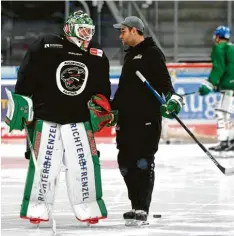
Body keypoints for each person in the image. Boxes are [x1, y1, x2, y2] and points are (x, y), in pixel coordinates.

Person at [5, 10, 113, 225]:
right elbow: (27, 75)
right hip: (47, 118)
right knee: (45, 166)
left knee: (84, 166)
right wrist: (23, 99)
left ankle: (89, 209)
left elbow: (102, 87)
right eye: (82, 30)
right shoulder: (45, 45)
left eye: (89, 30)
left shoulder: (96, 53)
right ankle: (37, 209)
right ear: (69, 29)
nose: (86, 34)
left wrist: (102, 101)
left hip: (79, 119)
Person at [112, 16, 183, 226]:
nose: (120, 35)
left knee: (142, 163)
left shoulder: (152, 53)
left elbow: (166, 86)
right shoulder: (130, 56)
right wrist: (114, 108)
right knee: (125, 164)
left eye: (123, 31)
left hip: (146, 120)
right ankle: (135, 205)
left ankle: (142, 208)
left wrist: (173, 101)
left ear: (135, 30)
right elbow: (125, 89)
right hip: (126, 120)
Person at [198, 26, 234, 153]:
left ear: (218, 37)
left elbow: (218, 69)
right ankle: (232, 139)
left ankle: (224, 141)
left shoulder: (219, 48)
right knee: (228, 113)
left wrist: (209, 85)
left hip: (229, 87)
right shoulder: (232, 47)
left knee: (221, 113)